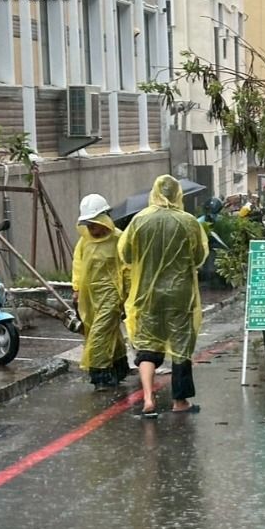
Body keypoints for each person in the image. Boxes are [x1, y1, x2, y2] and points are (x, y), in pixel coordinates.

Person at [119, 175, 209, 417]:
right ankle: (180, 401)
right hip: (180, 294)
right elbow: (199, 256)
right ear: (177, 194)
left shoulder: (139, 220)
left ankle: (149, 399)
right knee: (181, 346)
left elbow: (126, 254)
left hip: (147, 294)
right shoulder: (188, 222)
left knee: (147, 346)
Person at [71, 194, 129, 391]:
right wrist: (76, 288)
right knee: (108, 331)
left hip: (112, 294)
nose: (91, 230)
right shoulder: (84, 242)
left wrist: (126, 295)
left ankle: (99, 374)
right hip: (89, 295)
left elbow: (127, 268)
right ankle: (119, 367)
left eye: (93, 225)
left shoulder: (119, 239)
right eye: (88, 225)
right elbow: (78, 265)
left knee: (99, 333)